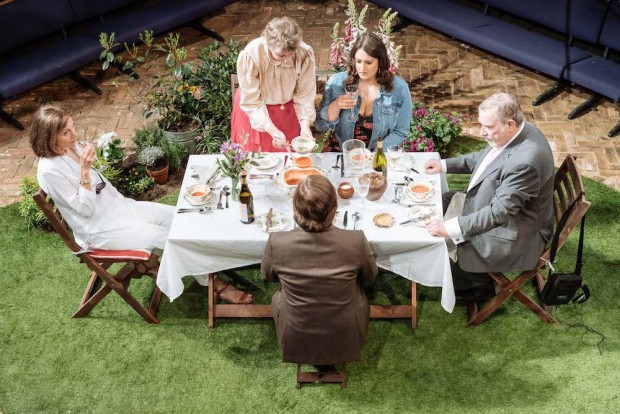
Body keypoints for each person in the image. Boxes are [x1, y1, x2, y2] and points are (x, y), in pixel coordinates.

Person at [30, 104, 252, 304]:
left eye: (73, 127)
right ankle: (215, 284)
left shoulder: (71, 147)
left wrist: (89, 164)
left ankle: (216, 258)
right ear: (48, 138)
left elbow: (98, 185)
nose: (74, 135)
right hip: (99, 229)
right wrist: (85, 171)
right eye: (66, 132)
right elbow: (85, 211)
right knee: (169, 238)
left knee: (181, 218)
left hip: (120, 208)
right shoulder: (50, 171)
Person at [423, 92, 554, 303]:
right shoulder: (520, 131)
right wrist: (444, 165)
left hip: (517, 235)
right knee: (445, 199)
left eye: (488, 127)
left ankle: (478, 286)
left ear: (510, 124)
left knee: (445, 241)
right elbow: (485, 157)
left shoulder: (525, 163)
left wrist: (450, 229)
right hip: (505, 209)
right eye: (481, 125)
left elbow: (498, 213)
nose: (481, 132)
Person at [261, 175, 377, 371]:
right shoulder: (355, 240)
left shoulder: (276, 242)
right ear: (334, 209)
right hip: (346, 332)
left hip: (295, 333)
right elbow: (370, 277)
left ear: (295, 210)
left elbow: (268, 276)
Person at [231, 16, 316, 152]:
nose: (287, 59)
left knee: (287, 158)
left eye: (291, 54)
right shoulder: (252, 54)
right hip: (254, 109)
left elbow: (304, 94)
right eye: (281, 55)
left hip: (287, 110)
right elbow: (251, 101)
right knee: (255, 162)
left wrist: (305, 126)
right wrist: (270, 129)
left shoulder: (304, 53)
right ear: (268, 44)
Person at [315, 32, 412, 151]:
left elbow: (401, 131)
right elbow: (320, 125)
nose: (362, 68)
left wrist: (375, 154)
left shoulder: (399, 88)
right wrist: (337, 105)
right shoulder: (338, 82)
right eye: (358, 61)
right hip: (341, 152)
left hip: (379, 153)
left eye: (368, 63)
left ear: (380, 62)